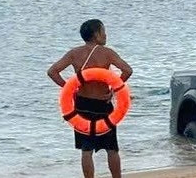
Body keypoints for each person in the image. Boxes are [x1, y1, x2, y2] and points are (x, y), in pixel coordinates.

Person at [47, 19, 133, 178]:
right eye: (103, 31)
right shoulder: (107, 53)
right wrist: (114, 89)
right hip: (103, 104)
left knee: (86, 150)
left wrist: (69, 88)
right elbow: (127, 70)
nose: (105, 35)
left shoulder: (74, 53)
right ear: (96, 34)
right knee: (112, 148)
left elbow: (52, 71)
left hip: (82, 105)